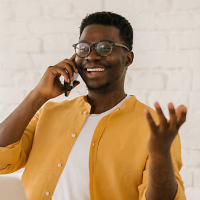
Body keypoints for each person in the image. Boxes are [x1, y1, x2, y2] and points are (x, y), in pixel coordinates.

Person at [0, 11, 187, 200]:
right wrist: (37, 95)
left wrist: (160, 156)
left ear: (128, 59)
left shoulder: (155, 128)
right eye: (84, 48)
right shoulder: (49, 113)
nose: (92, 56)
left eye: (105, 47)